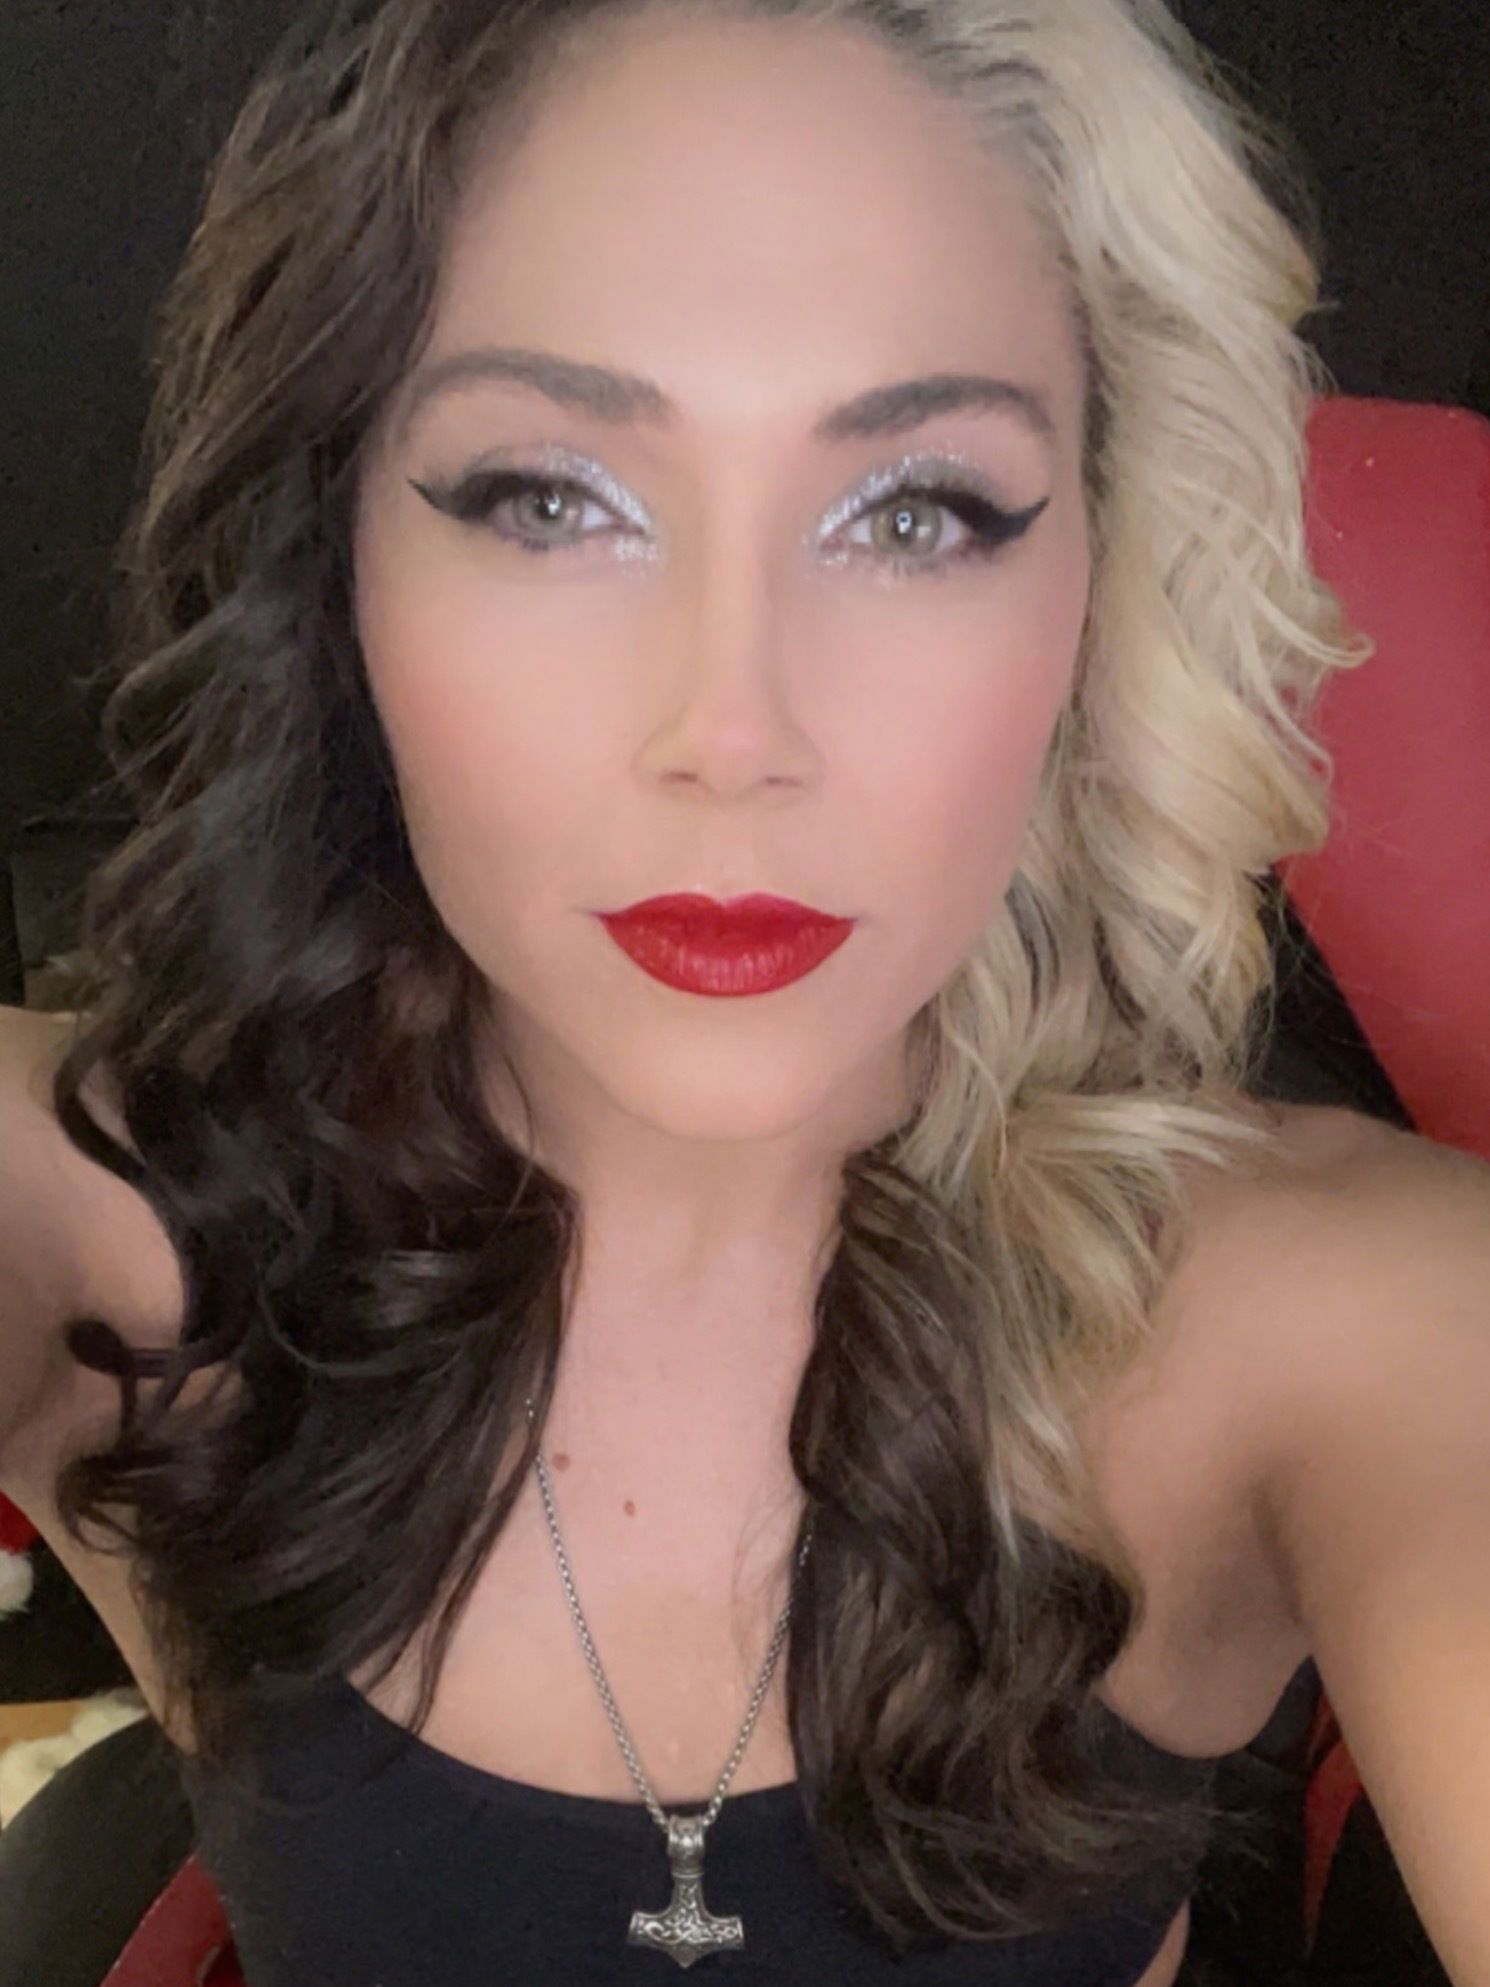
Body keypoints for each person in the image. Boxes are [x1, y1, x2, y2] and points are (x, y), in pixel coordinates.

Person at [1, 0, 1487, 1982]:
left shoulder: (1362, 1320)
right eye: (549, 498)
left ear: (1094, 580)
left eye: (915, 511)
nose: (732, 733)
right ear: (333, 563)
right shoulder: (99, 1217)